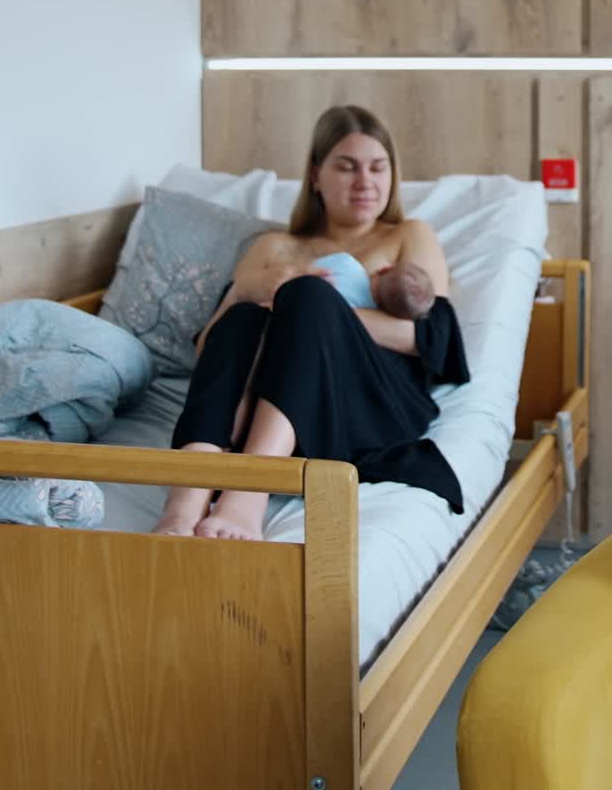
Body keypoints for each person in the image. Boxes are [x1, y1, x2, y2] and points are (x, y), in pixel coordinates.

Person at [152, 104, 469, 541]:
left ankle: (249, 496)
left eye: (378, 168)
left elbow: (428, 339)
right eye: (347, 167)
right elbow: (213, 350)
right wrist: (248, 289)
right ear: (317, 175)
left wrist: (315, 312)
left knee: (307, 295)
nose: (365, 182)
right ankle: (185, 502)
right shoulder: (273, 246)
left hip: (369, 400)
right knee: (244, 316)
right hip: (266, 400)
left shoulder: (408, 235)